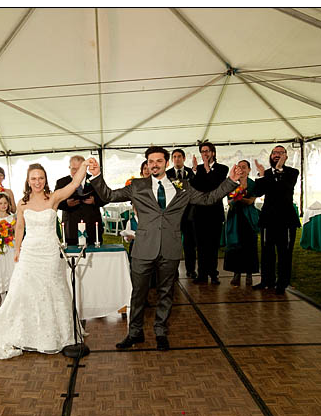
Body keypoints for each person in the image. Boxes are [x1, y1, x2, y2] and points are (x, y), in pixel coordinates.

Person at [89, 147, 240, 351]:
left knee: (166, 293)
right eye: (151, 161)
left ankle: (161, 331)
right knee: (138, 294)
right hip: (143, 249)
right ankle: (135, 333)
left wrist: (230, 181)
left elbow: (208, 199)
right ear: (147, 163)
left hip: (170, 247)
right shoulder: (137, 185)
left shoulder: (183, 186)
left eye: (159, 161)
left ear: (166, 163)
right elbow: (108, 195)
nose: (154, 165)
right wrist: (96, 175)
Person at [0, 161, 90, 364]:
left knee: (53, 289)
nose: (37, 182)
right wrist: (17, 249)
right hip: (30, 252)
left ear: (45, 179)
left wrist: (84, 165)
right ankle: (23, 333)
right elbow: (19, 227)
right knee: (22, 290)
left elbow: (74, 184)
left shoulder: (54, 197)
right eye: (33, 178)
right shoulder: (22, 202)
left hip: (49, 251)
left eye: (40, 178)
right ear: (28, 181)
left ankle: (55, 334)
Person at [251, 145, 301, 295]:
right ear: (271, 155)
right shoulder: (265, 173)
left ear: (286, 156)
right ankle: (267, 280)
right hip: (268, 219)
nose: (277, 155)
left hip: (286, 220)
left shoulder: (292, 172)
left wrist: (279, 169)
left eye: (280, 153)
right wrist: (260, 176)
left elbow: (283, 189)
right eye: (274, 153)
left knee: (284, 253)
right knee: (267, 252)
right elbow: (258, 192)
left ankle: (282, 283)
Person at [190, 142, 229, 285]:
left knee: (212, 245)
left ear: (213, 152)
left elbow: (215, 186)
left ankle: (213, 274)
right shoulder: (197, 169)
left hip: (214, 212)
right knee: (200, 245)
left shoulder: (222, 169)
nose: (204, 154)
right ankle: (202, 274)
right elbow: (196, 188)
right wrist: (195, 171)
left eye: (207, 151)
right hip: (199, 213)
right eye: (202, 151)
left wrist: (206, 168)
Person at [223, 160, 259, 286]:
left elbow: (250, 202)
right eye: (239, 167)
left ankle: (249, 274)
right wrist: (241, 194)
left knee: (249, 246)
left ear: (249, 170)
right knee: (235, 246)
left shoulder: (253, 184)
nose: (242, 170)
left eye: (244, 167)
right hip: (235, 218)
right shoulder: (232, 183)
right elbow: (230, 202)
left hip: (248, 218)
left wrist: (238, 196)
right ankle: (236, 274)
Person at [55, 155, 106, 246]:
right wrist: (66, 203)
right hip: (71, 227)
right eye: (73, 169)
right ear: (69, 167)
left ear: (85, 167)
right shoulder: (61, 182)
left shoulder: (94, 179)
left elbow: (106, 198)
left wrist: (94, 201)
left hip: (92, 227)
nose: (76, 172)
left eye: (79, 168)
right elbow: (55, 202)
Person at [166, 148, 197, 279]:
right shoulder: (167, 174)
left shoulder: (192, 173)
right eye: (175, 157)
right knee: (173, 244)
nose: (177, 159)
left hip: (189, 214)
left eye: (179, 156)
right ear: (172, 159)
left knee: (190, 244)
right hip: (173, 215)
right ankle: (174, 271)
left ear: (184, 158)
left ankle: (190, 270)